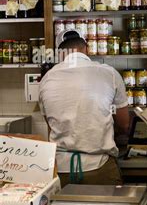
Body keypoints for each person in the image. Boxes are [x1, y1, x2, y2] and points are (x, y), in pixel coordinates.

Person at [39, 30, 130, 187]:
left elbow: (50, 125)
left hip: (60, 171)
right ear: (86, 48)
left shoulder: (46, 79)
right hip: (100, 167)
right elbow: (124, 124)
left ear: (60, 53)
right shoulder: (109, 73)